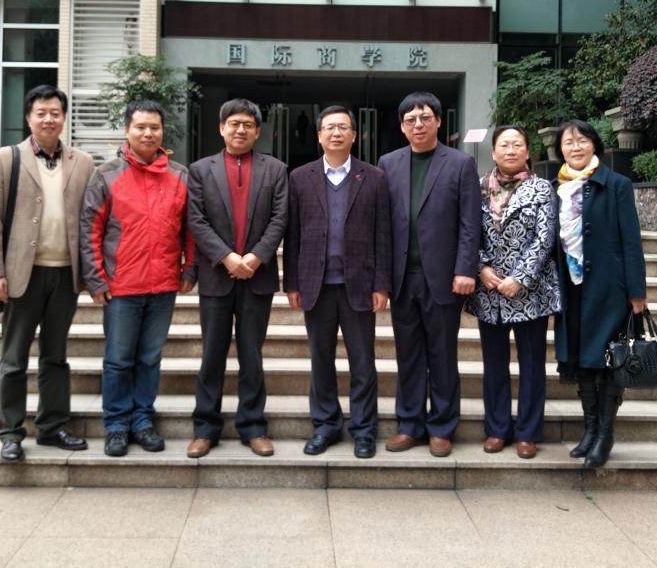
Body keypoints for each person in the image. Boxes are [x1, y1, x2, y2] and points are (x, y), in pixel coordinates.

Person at [0, 84, 94, 463]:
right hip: (20, 275)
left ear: (64, 118)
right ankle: (11, 433)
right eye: (41, 113)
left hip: (65, 274)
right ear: (28, 118)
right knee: (14, 359)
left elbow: (91, 220)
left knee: (55, 357)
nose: (48, 119)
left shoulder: (82, 162)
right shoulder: (5, 159)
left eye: (55, 113)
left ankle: (53, 426)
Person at [79, 101, 196, 457]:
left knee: (149, 358)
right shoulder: (106, 175)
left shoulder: (179, 175)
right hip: (121, 286)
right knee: (118, 359)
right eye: (141, 127)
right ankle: (116, 425)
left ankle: (143, 421)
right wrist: (96, 279)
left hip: (163, 284)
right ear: (127, 130)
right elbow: (90, 229)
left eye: (154, 127)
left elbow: (191, 229)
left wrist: (189, 268)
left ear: (163, 132)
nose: (148, 133)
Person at [283, 106, 392, 459]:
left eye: (343, 127)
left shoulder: (374, 177)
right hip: (316, 285)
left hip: (358, 284)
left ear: (354, 135)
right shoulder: (300, 177)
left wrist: (381, 284)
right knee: (321, 360)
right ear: (319, 135)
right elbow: (293, 234)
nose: (336, 133)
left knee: (363, 362)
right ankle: (325, 426)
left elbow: (383, 234)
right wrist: (292, 283)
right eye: (329, 127)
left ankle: (364, 430)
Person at [378, 92, 481, 457]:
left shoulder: (460, 164)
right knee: (407, 355)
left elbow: (470, 222)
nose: (418, 125)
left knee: (442, 355)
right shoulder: (388, 163)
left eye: (425, 118)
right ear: (402, 126)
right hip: (402, 278)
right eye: (410, 120)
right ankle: (409, 424)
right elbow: (382, 224)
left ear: (438, 121)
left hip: (444, 278)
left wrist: (465, 268)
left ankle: (441, 427)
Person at [185, 99, 288, 458]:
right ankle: (205, 428)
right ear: (221, 128)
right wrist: (227, 257)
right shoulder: (200, 170)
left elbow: (280, 218)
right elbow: (196, 220)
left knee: (251, 355)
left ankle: (253, 426)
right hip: (217, 276)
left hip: (257, 277)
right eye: (233, 123)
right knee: (212, 354)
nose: (240, 130)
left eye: (247, 124)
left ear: (258, 131)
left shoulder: (276, 169)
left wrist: (256, 257)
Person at [553, 119, 647, 468]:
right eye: (568, 142)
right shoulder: (555, 188)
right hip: (571, 289)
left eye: (582, 140)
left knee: (607, 362)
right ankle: (589, 431)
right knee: (581, 359)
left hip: (609, 290)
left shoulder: (617, 185)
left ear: (594, 144)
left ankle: (605, 435)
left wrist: (637, 292)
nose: (575, 147)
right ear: (560, 149)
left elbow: (631, 241)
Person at [465, 125, 560, 459]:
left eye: (517, 144)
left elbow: (545, 238)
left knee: (532, 364)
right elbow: (467, 231)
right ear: (493, 152)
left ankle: (529, 432)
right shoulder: (477, 189)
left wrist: (520, 277)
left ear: (527, 151)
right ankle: (497, 429)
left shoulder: (542, 189)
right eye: (504, 145)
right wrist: (481, 268)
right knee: (494, 365)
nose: (510, 150)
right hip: (489, 291)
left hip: (530, 292)